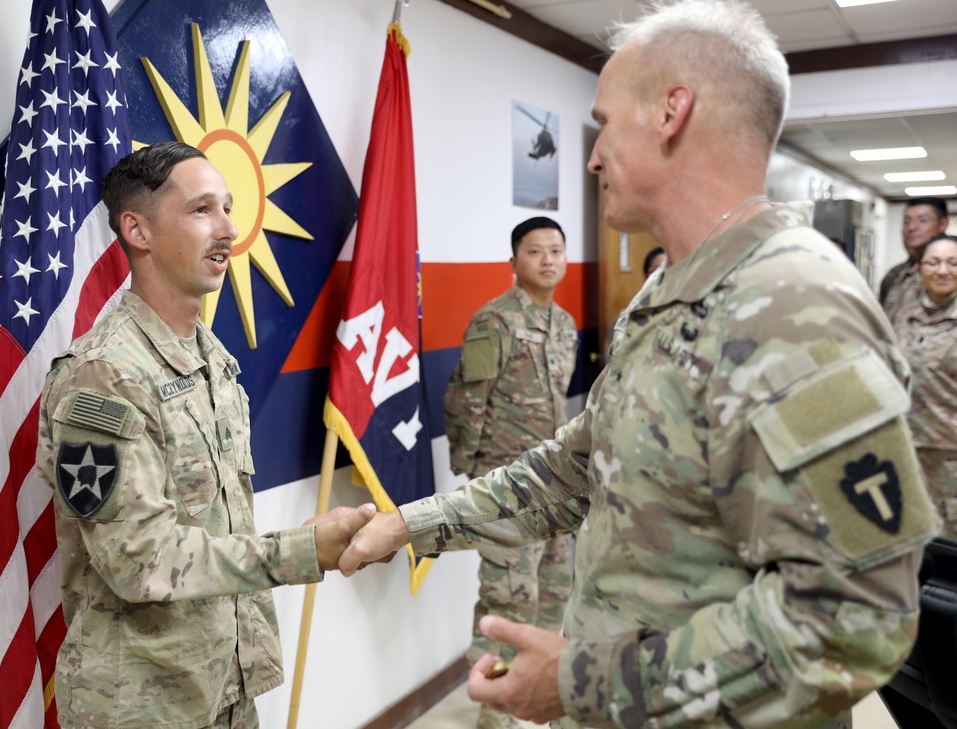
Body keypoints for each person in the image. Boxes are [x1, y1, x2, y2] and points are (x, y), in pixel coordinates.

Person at [339, 2, 937, 728]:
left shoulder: (795, 305)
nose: (591, 155)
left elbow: (854, 619)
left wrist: (583, 681)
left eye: (605, 122)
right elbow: (576, 468)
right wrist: (411, 522)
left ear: (670, 112)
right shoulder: (668, 291)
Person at [35, 141, 375, 729]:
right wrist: (299, 551)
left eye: (229, 207)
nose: (229, 229)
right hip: (141, 704)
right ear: (137, 229)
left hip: (223, 683)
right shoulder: (106, 374)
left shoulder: (210, 357)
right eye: (202, 210)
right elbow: (140, 561)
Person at [443, 216, 578, 729]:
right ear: (514, 262)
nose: (548, 260)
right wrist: (476, 477)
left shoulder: (565, 325)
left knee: (554, 594)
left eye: (556, 251)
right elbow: (466, 399)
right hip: (509, 491)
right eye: (535, 251)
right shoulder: (492, 321)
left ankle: (535, 704)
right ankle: (496, 714)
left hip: (560, 490)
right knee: (506, 601)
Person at [894, 234, 957, 538]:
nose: (942, 270)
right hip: (905, 450)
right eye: (933, 262)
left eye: (952, 262)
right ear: (920, 268)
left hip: (950, 458)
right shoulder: (905, 315)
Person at [879, 197, 950, 325]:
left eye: (922, 220)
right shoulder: (895, 276)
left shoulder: (951, 273)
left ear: (943, 224)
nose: (911, 227)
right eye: (907, 221)